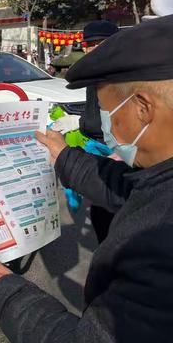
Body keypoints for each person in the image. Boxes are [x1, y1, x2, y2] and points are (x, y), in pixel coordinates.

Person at [0, 14, 173, 343]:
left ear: (142, 109)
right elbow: (128, 188)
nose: (105, 125)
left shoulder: (163, 247)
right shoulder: (170, 178)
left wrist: (7, 292)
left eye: (108, 112)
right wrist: (63, 156)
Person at [53, 20, 119, 242]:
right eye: (90, 44)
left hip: (120, 154)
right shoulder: (94, 72)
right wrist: (79, 121)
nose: (94, 48)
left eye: (101, 42)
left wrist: (82, 124)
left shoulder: (120, 75)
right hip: (99, 150)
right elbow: (94, 115)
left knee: (115, 216)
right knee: (101, 213)